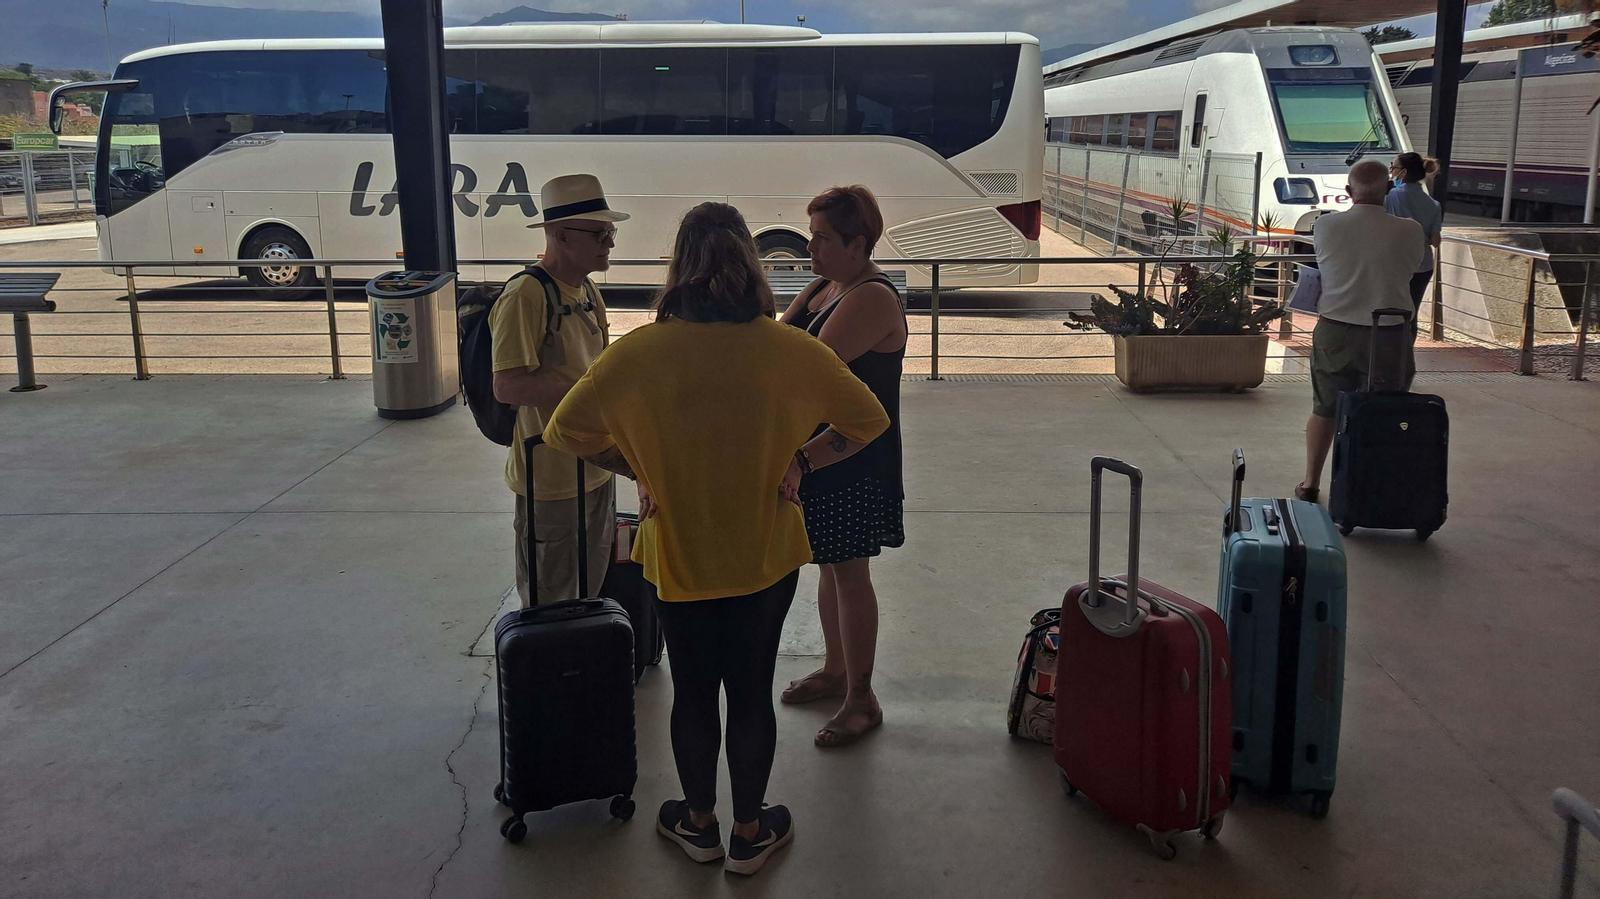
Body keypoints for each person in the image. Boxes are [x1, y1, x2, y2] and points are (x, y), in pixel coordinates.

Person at [543, 202, 890, 876]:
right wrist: (802, 460)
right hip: (765, 550)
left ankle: (698, 824)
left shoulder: (636, 353)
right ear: (750, 266)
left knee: (694, 691)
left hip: (678, 552)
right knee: (752, 691)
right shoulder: (792, 350)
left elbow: (566, 431)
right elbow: (867, 420)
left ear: (680, 267)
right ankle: (750, 832)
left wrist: (641, 469)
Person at [777, 185, 907, 749]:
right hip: (821, 455)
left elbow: (802, 372)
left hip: (853, 454)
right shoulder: (824, 286)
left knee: (850, 574)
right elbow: (777, 343)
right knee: (829, 567)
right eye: (812, 236)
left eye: (823, 238)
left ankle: (861, 697)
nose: (811, 248)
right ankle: (835, 671)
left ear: (858, 244)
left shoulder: (871, 296)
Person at [490, 173, 626, 606]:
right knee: (550, 603)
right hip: (548, 478)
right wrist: (588, 395)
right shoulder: (525, 295)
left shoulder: (587, 290)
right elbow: (507, 385)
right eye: (599, 234)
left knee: (589, 592)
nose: (609, 243)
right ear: (561, 235)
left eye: (611, 232)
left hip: (597, 467)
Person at [1296, 159, 1426, 503]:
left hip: (1335, 330)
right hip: (1390, 332)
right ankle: (1375, 484)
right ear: (1389, 189)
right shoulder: (1411, 230)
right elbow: (1413, 268)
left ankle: (1311, 483)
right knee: (1387, 409)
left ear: (1348, 191)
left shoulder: (1326, 226)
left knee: (1325, 407)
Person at [1385, 152, 1443, 319]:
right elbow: (1436, 241)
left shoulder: (1389, 195)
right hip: (1422, 265)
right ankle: (1409, 336)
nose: (1391, 172)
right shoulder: (1433, 204)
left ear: (1403, 172)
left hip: (1394, 263)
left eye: (1393, 168)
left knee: (1389, 312)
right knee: (1411, 313)